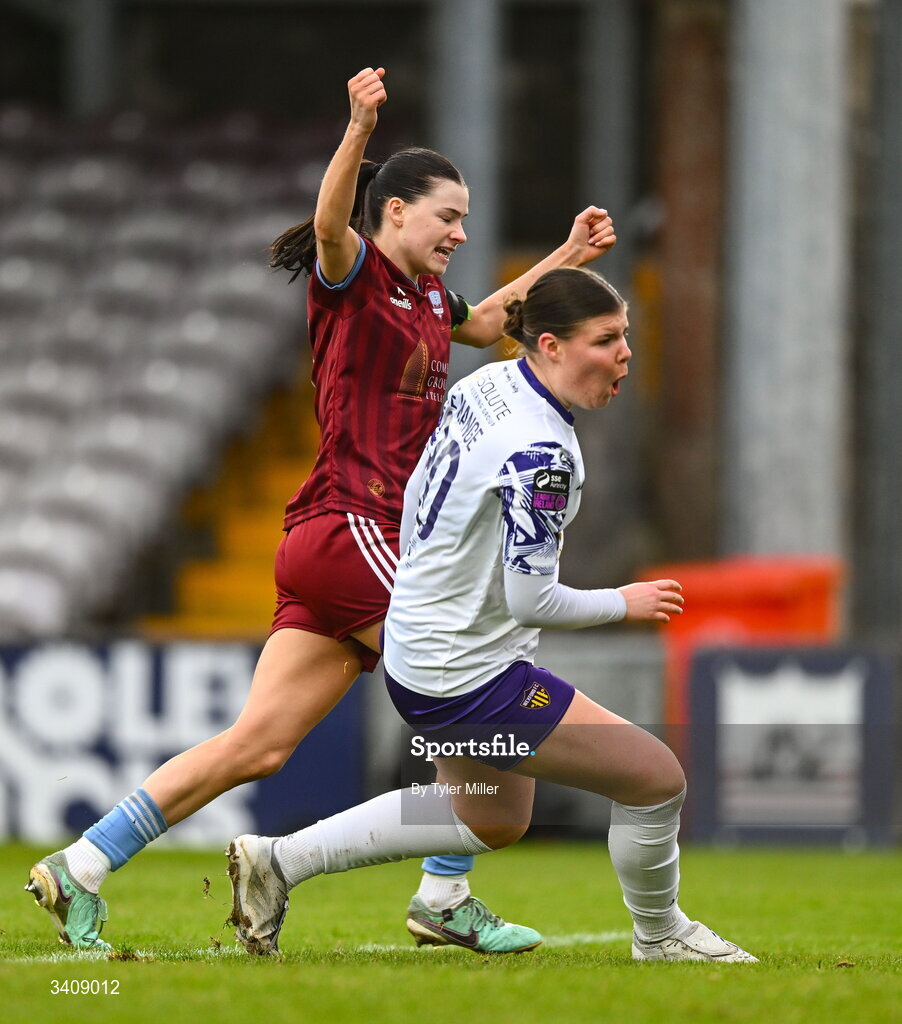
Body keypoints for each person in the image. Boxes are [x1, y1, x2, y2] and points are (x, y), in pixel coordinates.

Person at [24, 67, 618, 954]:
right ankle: (442, 893)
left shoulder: (423, 299)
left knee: (257, 745)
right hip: (361, 533)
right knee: (479, 687)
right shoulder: (356, 272)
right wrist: (355, 129)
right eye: (446, 215)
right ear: (396, 213)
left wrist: (568, 254)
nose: (460, 230)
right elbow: (333, 223)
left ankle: (83, 863)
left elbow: (494, 317)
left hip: (323, 540)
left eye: (463, 218)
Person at [226, 267, 758, 963]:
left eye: (626, 335)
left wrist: (425, 590)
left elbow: (418, 493)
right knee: (655, 779)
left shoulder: (488, 384)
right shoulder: (543, 455)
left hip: (422, 649)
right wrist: (622, 603)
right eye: (606, 339)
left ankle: (280, 860)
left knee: (489, 813)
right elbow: (532, 600)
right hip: (469, 676)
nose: (626, 353)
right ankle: (661, 937)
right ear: (550, 345)